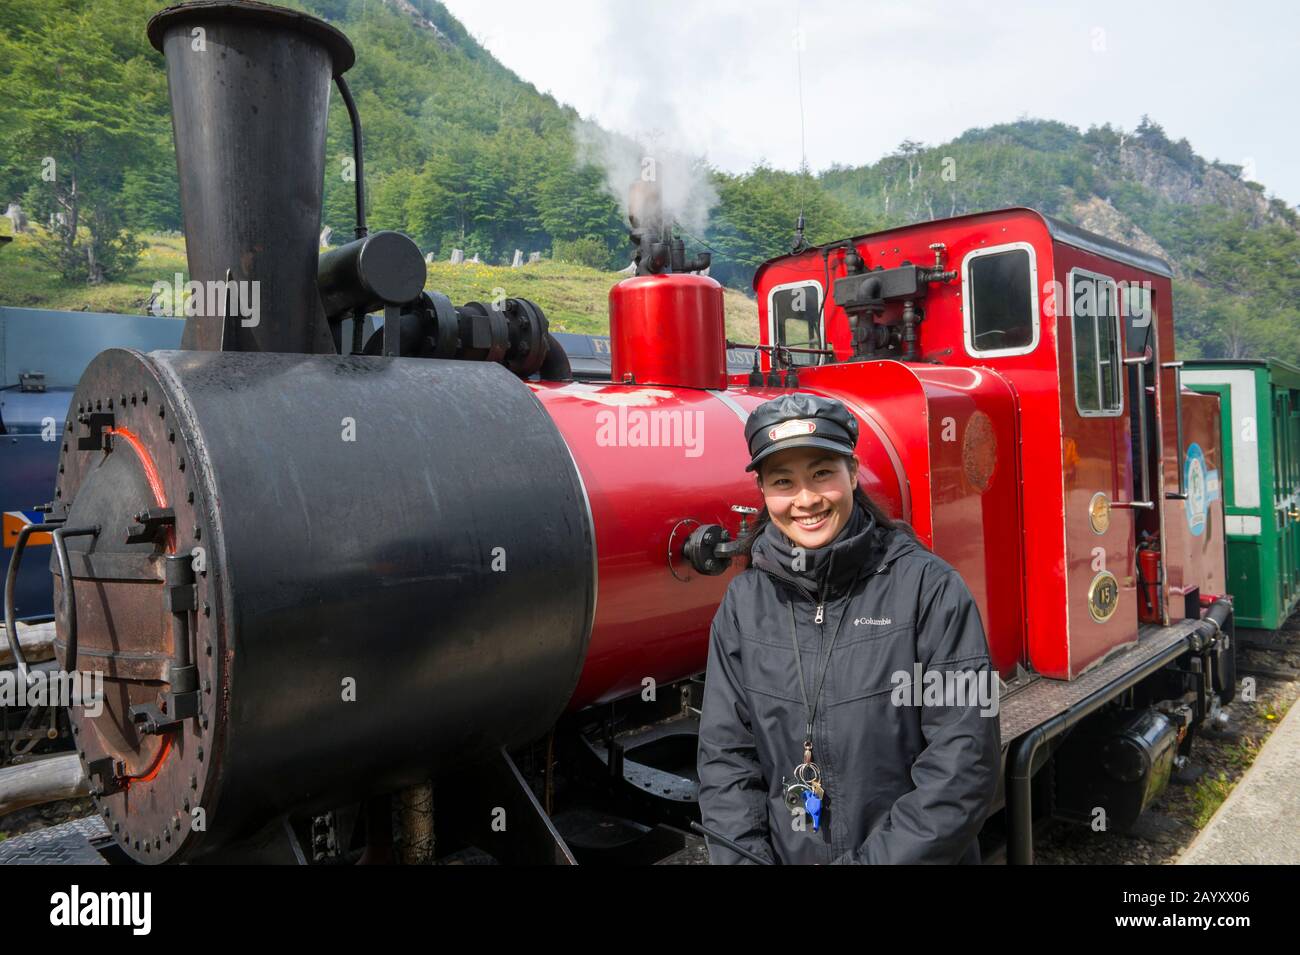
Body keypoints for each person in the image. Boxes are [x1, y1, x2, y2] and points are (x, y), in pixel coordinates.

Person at [696, 392, 1001, 864]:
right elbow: (726, 760)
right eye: (783, 481)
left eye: (821, 473)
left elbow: (963, 766)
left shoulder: (931, 589)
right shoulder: (742, 605)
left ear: (853, 474)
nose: (806, 499)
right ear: (763, 491)